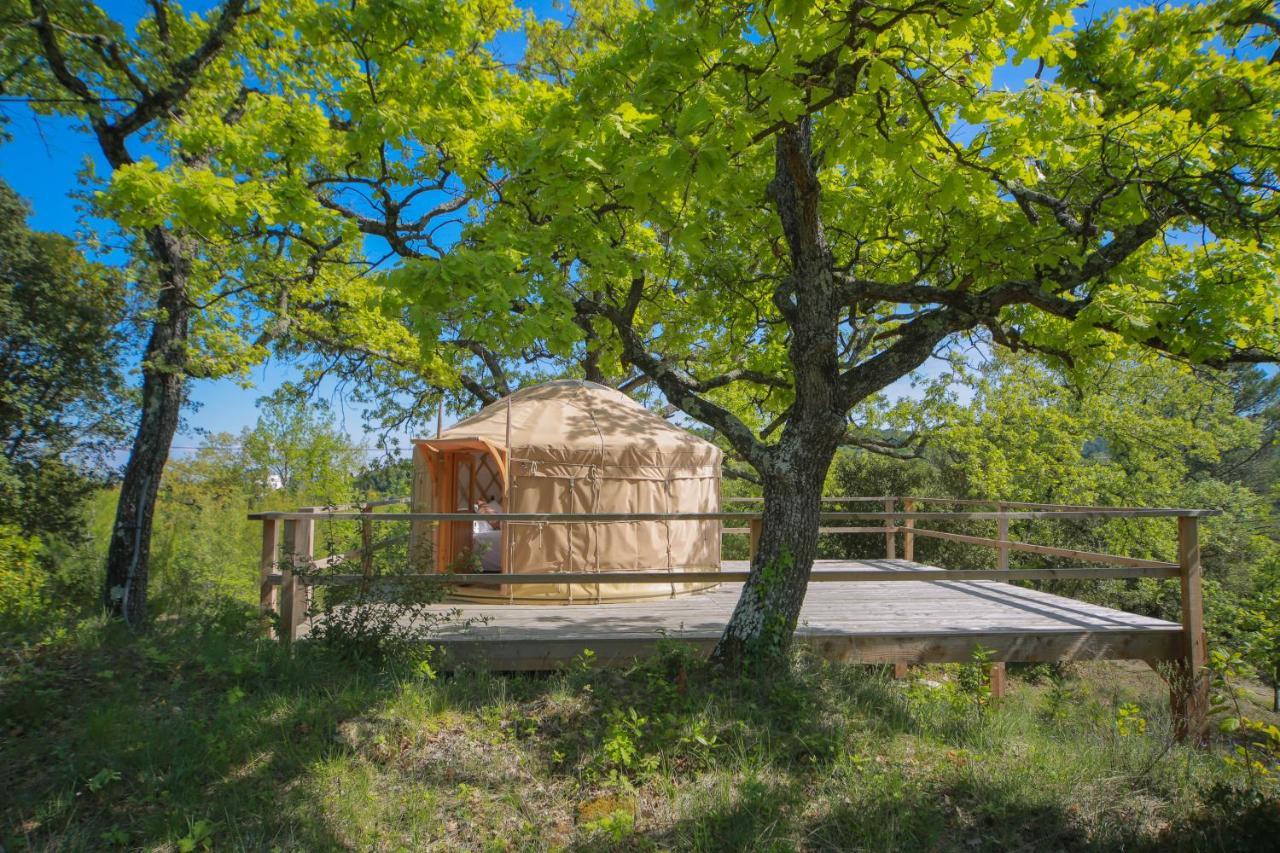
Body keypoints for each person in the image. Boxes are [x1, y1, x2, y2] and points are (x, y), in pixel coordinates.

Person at [472, 497, 504, 573]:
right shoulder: (484, 514)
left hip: (497, 522)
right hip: (488, 524)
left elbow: (495, 522)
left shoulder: (492, 514)